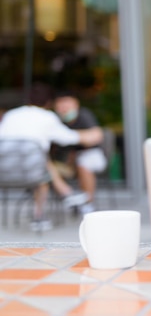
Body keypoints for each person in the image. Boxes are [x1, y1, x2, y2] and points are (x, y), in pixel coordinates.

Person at [0, 83, 102, 231]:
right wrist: (91, 135)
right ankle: (44, 212)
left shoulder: (11, 115)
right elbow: (68, 138)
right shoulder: (47, 117)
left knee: (42, 164)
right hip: (33, 172)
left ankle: (62, 197)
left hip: (5, 170)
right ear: (49, 103)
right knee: (42, 168)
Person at [52, 90, 107, 215]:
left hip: (92, 155)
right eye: (60, 105)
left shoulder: (84, 115)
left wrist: (71, 136)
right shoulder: (55, 121)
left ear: (75, 104)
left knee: (84, 162)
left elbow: (96, 136)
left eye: (66, 104)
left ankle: (88, 203)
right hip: (67, 161)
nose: (63, 108)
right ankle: (70, 196)